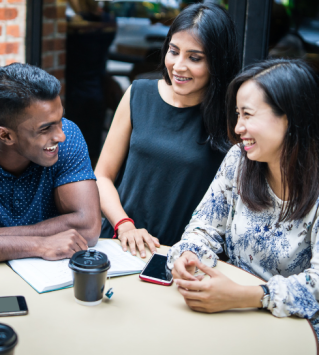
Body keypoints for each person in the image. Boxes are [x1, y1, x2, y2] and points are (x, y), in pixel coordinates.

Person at [168, 59, 319, 338]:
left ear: (290, 118)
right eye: (237, 114)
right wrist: (189, 255)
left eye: (248, 115)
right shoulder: (239, 160)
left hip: (297, 332)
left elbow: (316, 287)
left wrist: (246, 296)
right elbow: (203, 228)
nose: (238, 128)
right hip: (229, 315)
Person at [95, 2, 240, 258]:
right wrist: (124, 225)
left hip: (181, 255)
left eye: (194, 58)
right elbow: (102, 176)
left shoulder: (230, 119)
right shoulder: (138, 94)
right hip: (121, 242)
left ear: (218, 62)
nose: (178, 65)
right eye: (174, 51)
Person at [0, 63, 101, 262]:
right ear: (5, 135)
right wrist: (40, 245)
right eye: (45, 128)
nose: (61, 136)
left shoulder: (70, 136)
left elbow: (88, 227)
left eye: (60, 119)